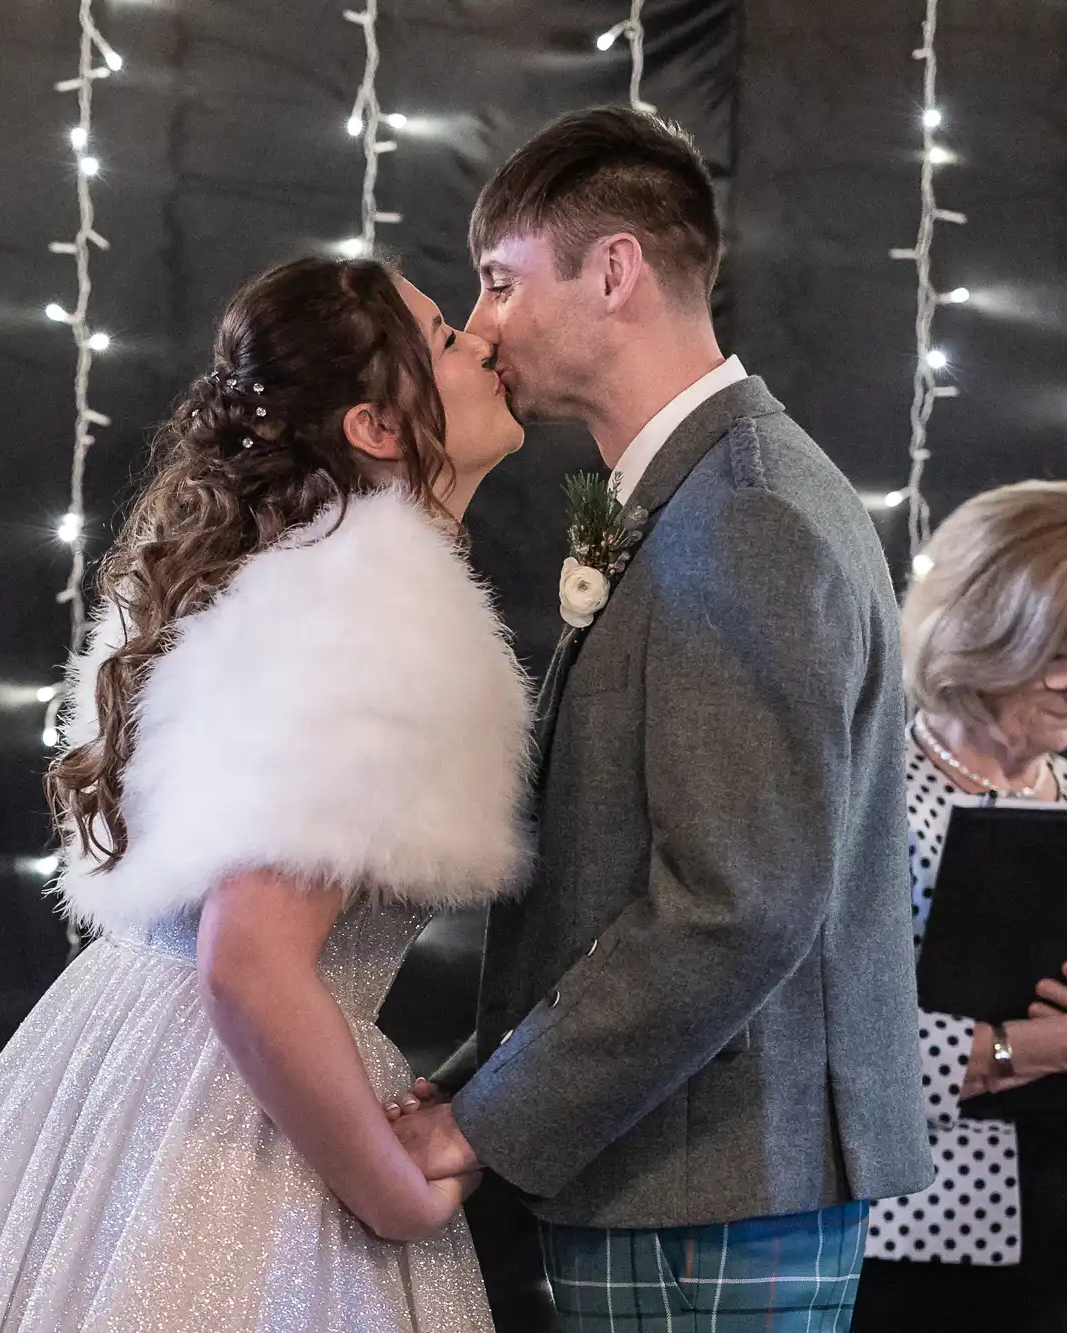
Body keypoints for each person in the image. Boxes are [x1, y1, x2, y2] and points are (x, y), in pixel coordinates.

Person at [0, 256, 532, 1332]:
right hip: (232, 1114)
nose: (482, 343)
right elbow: (249, 960)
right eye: (443, 338)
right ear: (377, 429)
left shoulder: (277, 577)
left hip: (119, 1076)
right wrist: (393, 1195)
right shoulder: (368, 611)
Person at [390, 106, 934, 1331]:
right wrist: (480, 1082)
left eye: (497, 281)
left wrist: (483, 1124)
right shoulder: (708, 492)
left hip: (705, 1186)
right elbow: (619, 884)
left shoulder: (741, 514)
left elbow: (731, 908)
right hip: (688, 1174)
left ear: (614, 268)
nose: (479, 329)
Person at [849, 479, 1067, 1333]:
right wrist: (1059, 1044)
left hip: (1064, 1229)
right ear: (983, 628)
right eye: (1065, 655)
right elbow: (834, 1045)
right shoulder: (864, 795)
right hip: (907, 1239)